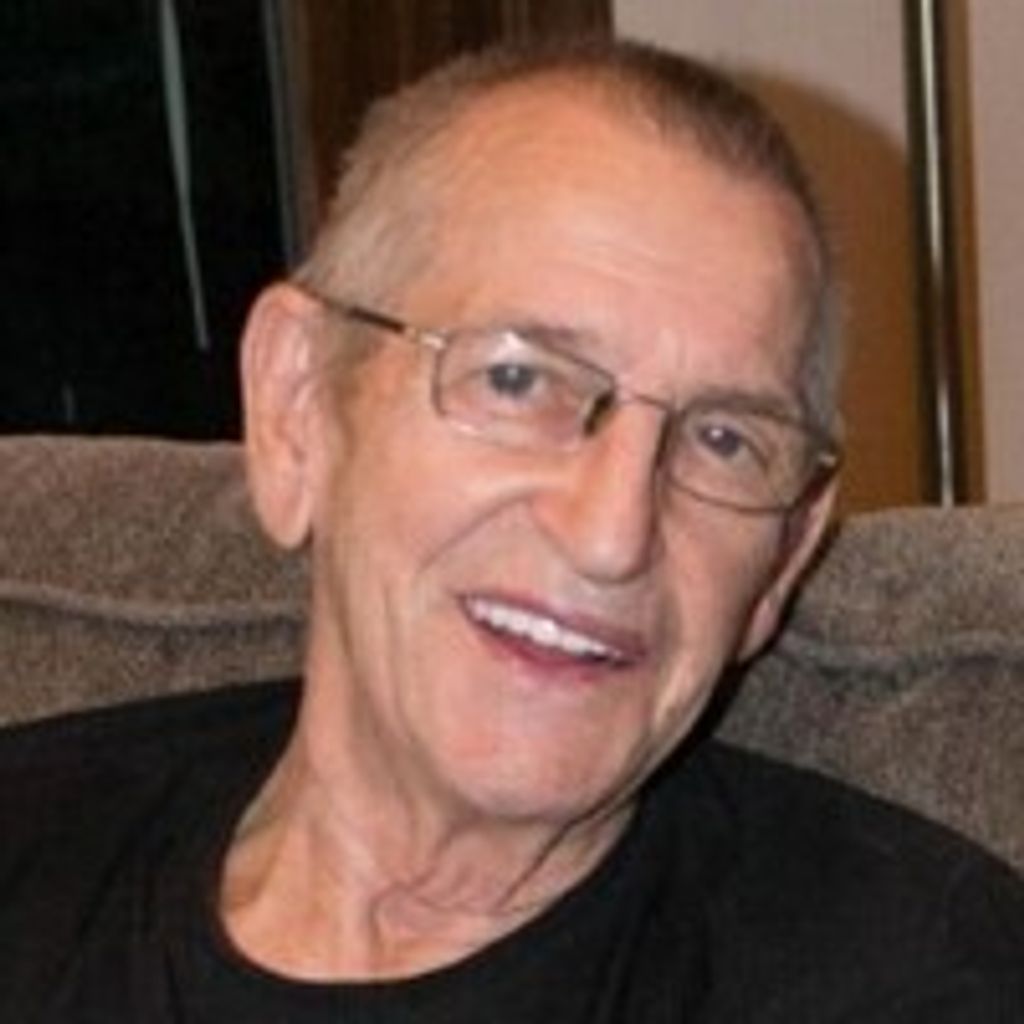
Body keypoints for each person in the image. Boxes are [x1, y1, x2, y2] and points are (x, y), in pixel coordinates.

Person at [1, 35, 1022, 1022]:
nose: (611, 533)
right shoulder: (35, 843)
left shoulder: (915, 980)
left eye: (723, 440)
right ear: (297, 404)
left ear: (784, 555)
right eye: (520, 379)